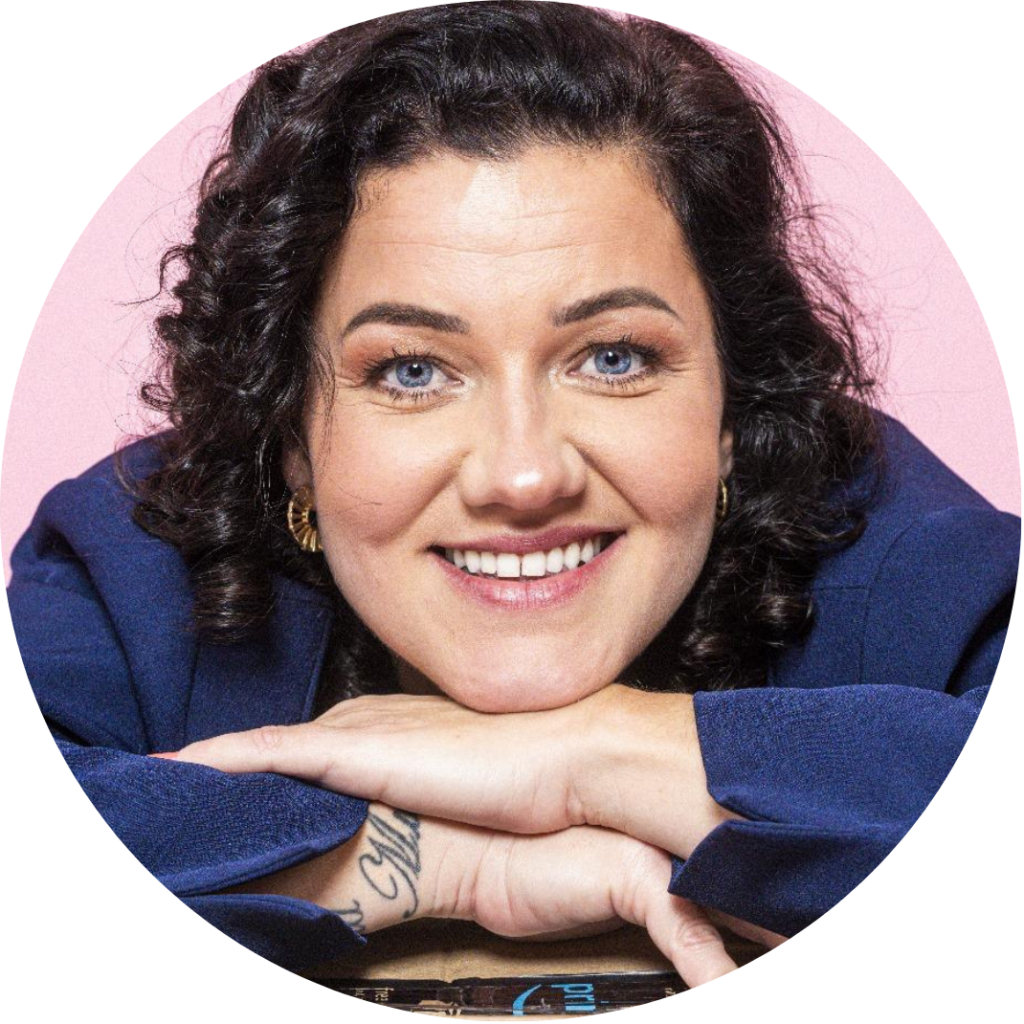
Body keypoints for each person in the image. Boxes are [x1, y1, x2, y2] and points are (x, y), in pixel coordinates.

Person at [9, 1, 1017, 989]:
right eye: (412, 371)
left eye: (613, 357)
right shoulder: (133, 557)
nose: (524, 476)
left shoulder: (898, 543)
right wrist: (438, 859)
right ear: (291, 442)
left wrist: (593, 753)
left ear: (733, 407)